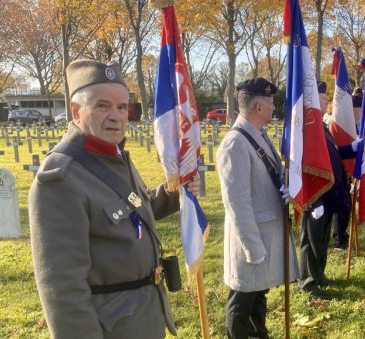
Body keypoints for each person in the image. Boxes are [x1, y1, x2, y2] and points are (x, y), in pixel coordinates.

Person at [29, 59, 195, 338]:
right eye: (102, 105)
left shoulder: (113, 156)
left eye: (122, 107)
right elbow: (63, 289)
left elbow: (132, 211)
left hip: (144, 318)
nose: (117, 116)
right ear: (76, 111)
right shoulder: (61, 179)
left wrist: (174, 193)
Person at [216, 77, 299, 338]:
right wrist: (252, 247)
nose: (274, 108)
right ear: (258, 108)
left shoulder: (257, 135)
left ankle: (258, 334)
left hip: (265, 235)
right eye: (271, 103)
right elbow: (236, 203)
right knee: (242, 300)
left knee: (257, 297)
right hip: (251, 239)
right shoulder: (235, 143)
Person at [299, 81, 357, 299]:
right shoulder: (308, 127)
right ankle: (308, 282)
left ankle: (319, 274)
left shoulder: (321, 126)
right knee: (311, 239)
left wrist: (351, 149)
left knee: (321, 237)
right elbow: (305, 162)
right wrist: (312, 199)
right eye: (323, 98)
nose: (327, 101)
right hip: (314, 193)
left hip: (328, 191)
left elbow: (330, 154)